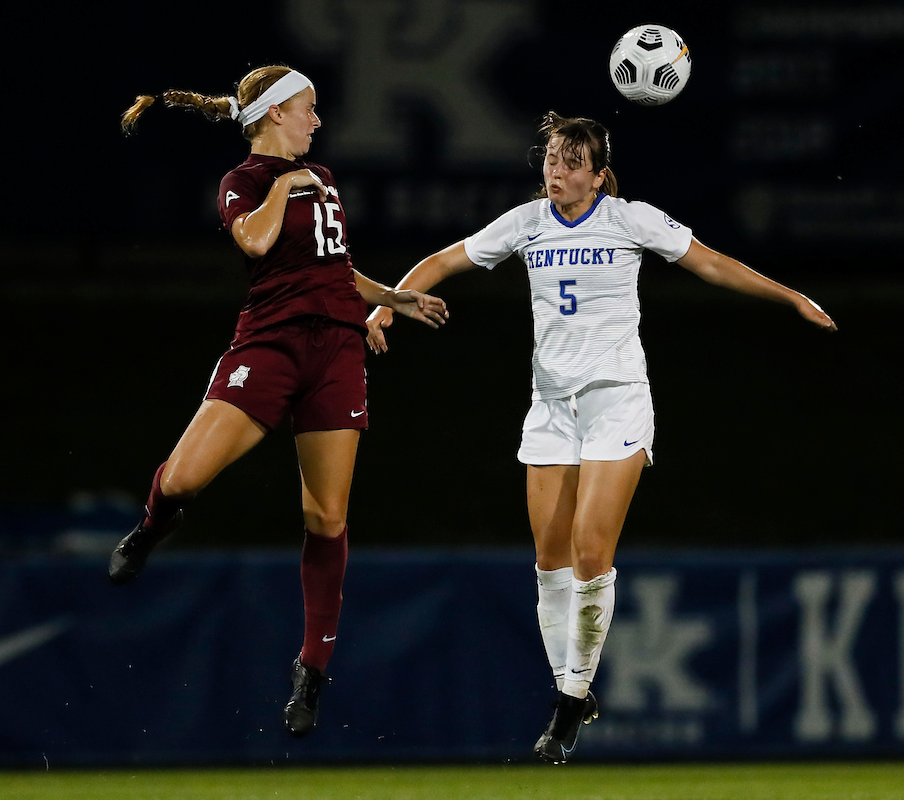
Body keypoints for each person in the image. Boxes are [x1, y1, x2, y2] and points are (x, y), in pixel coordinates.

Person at [366, 111, 836, 763]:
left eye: (569, 162)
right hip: (551, 407)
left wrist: (791, 297)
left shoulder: (629, 219)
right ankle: (572, 687)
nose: (555, 171)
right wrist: (389, 300)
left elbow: (713, 263)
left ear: (596, 175)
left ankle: (567, 705)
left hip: (616, 401)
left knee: (591, 549)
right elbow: (445, 259)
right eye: (550, 159)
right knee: (550, 561)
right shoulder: (526, 224)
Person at [112, 65, 448, 739]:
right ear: (272, 116)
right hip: (269, 347)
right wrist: (284, 184)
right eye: (307, 109)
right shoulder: (245, 183)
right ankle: (152, 526)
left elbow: (334, 270)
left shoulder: (318, 178)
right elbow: (256, 241)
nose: (318, 121)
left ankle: (311, 670)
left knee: (324, 516)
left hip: (336, 352)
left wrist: (394, 299)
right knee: (182, 478)